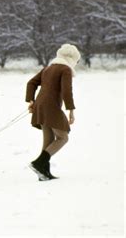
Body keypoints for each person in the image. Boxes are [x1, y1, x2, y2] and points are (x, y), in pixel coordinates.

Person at [26, 44, 81, 181]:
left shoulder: (48, 68)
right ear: (72, 59)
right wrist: (71, 111)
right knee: (63, 137)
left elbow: (31, 83)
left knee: (49, 140)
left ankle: (43, 173)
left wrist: (31, 101)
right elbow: (67, 91)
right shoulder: (65, 69)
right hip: (51, 107)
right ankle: (38, 163)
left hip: (40, 105)